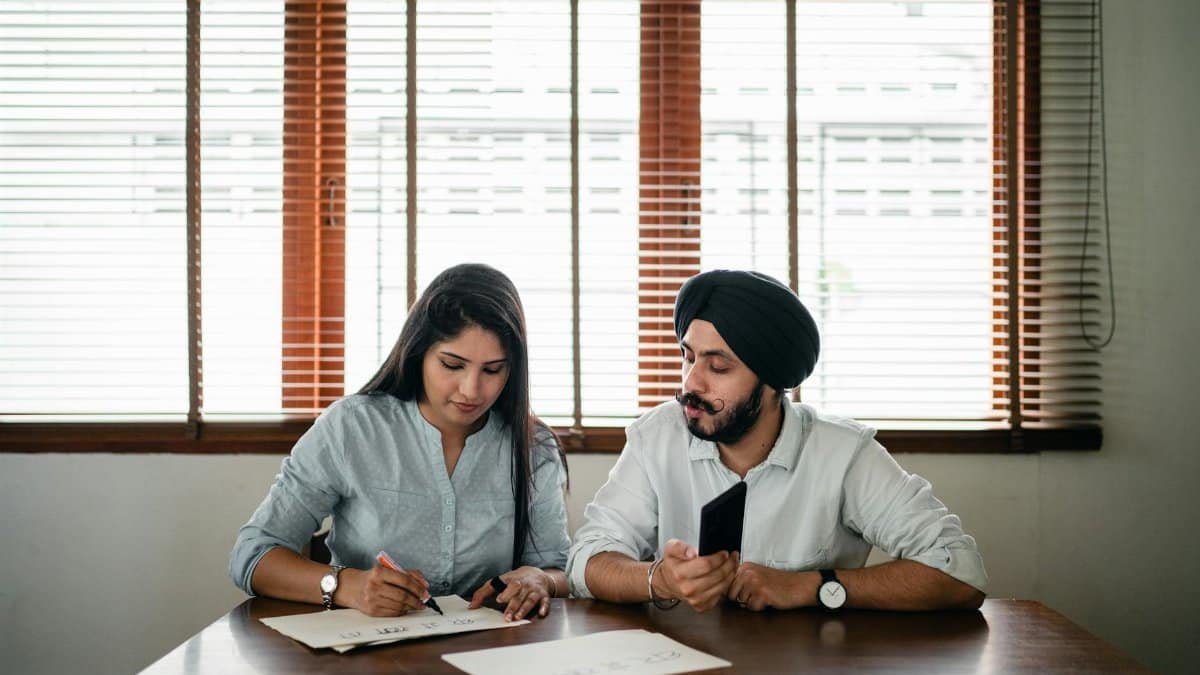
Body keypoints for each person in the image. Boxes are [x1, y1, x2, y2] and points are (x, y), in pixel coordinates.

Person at [567, 269, 987, 613]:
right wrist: (659, 578)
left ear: (771, 382)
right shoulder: (657, 436)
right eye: (688, 356)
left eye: (718, 366)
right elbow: (586, 561)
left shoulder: (842, 453)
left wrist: (812, 587)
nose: (691, 382)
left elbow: (960, 572)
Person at [230, 263, 570, 622]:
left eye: (492, 370)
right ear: (419, 352)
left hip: (488, 653)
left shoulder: (534, 447)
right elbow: (252, 556)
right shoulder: (352, 428)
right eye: (452, 365)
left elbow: (560, 569)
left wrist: (541, 579)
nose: (472, 390)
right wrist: (349, 587)